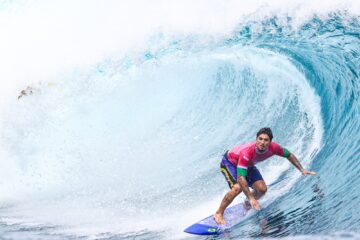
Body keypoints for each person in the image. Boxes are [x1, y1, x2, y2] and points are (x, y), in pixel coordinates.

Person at [214, 127, 316, 225]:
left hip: (248, 165)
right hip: (229, 163)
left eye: (266, 140)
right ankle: (219, 213)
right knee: (237, 187)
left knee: (262, 189)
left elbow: (289, 155)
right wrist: (251, 197)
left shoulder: (274, 148)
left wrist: (302, 170)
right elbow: (241, 178)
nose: (262, 142)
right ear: (256, 139)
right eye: (260, 139)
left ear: (270, 141)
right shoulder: (247, 152)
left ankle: (247, 204)